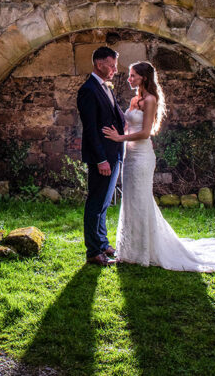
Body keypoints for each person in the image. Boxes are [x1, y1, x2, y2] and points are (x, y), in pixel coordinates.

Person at [102, 61, 215, 272]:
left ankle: (145, 250)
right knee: (131, 199)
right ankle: (131, 250)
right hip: (130, 156)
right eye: (130, 75)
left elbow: (146, 133)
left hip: (143, 156)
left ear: (144, 77)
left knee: (141, 199)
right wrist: (119, 128)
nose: (129, 79)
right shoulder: (135, 99)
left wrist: (119, 138)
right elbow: (131, 124)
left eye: (133, 75)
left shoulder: (151, 100)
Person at [76, 46, 125, 267]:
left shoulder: (105, 87)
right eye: (111, 65)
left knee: (104, 203)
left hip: (114, 153)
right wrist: (100, 159)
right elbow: (91, 129)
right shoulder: (88, 90)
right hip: (102, 157)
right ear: (99, 64)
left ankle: (103, 243)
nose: (115, 69)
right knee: (95, 203)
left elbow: (116, 117)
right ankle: (94, 252)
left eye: (115, 65)